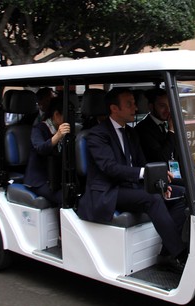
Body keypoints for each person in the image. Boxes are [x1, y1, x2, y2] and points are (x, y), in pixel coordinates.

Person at [78, 87, 188, 266]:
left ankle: (168, 250)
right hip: (108, 191)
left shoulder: (130, 132)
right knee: (152, 199)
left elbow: (141, 162)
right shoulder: (97, 134)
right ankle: (181, 255)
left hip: (129, 186)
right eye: (129, 104)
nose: (135, 109)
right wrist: (147, 175)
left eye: (134, 104)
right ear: (114, 109)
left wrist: (158, 181)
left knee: (181, 193)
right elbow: (110, 168)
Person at [24, 97, 70, 205]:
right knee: (64, 197)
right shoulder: (39, 128)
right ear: (57, 115)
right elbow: (41, 148)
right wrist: (58, 135)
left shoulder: (66, 131)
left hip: (57, 177)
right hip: (40, 179)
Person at [135, 88, 178, 163]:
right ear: (151, 107)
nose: (168, 110)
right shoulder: (142, 129)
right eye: (162, 106)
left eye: (169, 105)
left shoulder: (168, 123)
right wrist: (171, 131)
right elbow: (161, 158)